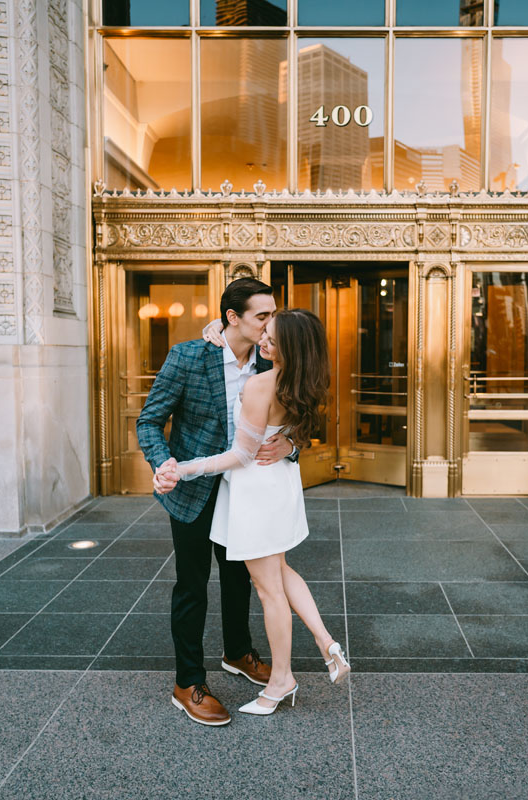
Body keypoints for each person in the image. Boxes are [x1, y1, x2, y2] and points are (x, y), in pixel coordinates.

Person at [155, 307, 350, 716]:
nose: (263, 339)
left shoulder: (262, 383)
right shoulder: (303, 378)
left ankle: (282, 680)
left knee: (268, 590)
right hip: (279, 484)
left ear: (289, 347)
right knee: (280, 571)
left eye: (273, 338)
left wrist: (183, 468)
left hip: (255, 488)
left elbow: (240, 456)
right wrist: (215, 329)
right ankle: (325, 641)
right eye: (264, 329)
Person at [137, 278, 296, 727]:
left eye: (272, 315)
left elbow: (299, 419)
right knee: (192, 584)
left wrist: (291, 447)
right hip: (193, 488)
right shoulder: (189, 355)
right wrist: (164, 462)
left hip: (247, 489)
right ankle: (188, 681)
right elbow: (149, 421)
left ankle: (238, 652)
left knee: (240, 577)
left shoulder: (272, 362)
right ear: (232, 318)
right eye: (262, 316)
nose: (271, 323)